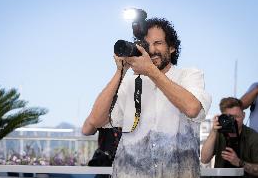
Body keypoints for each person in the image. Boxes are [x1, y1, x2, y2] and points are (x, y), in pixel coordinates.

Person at [82, 17, 211, 178]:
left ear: (172, 48)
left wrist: (150, 71)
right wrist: (120, 72)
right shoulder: (129, 82)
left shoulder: (189, 75)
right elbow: (94, 122)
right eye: (146, 44)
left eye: (158, 43)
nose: (151, 50)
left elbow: (192, 108)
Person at [201, 97, 258, 177]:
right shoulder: (218, 133)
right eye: (230, 117)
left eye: (237, 117)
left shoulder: (253, 137)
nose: (234, 121)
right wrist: (213, 131)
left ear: (244, 115)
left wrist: (239, 162)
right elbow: (204, 159)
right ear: (223, 117)